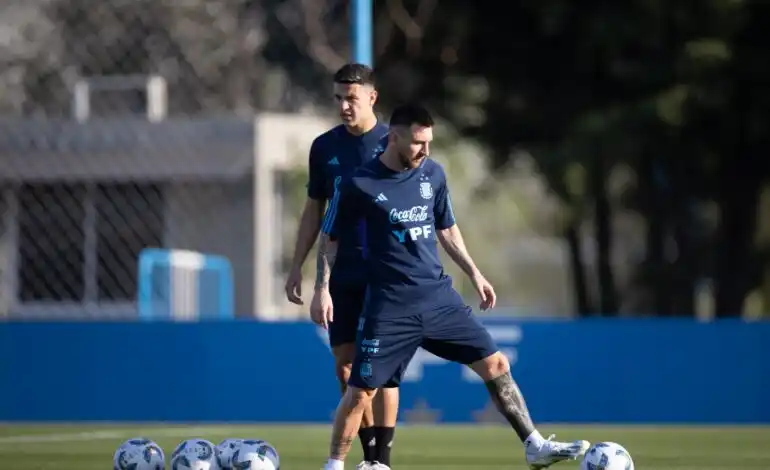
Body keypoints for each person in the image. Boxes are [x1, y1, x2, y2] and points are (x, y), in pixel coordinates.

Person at [312, 103, 590, 470]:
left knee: (495, 364)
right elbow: (329, 238)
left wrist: (475, 272)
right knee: (361, 391)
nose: (425, 150)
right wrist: (322, 287)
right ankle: (335, 464)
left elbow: (446, 229)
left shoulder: (433, 175)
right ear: (393, 138)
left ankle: (534, 445)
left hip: (439, 299)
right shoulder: (359, 184)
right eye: (416, 143)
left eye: (429, 142)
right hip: (391, 306)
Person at [284, 63, 399, 470]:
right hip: (343, 270)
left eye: (351, 97)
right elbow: (316, 209)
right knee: (347, 369)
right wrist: (300, 267)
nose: (343, 106)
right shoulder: (324, 147)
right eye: (338, 98)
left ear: (372, 96)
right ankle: (370, 458)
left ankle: (378, 460)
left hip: (387, 273)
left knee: (381, 371)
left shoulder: (394, 140)